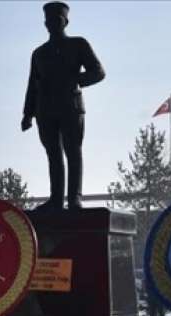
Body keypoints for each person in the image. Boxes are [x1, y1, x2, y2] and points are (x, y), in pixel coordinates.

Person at [21, 1, 105, 211]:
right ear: (45, 24)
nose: (52, 23)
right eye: (49, 20)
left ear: (65, 21)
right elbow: (33, 84)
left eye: (57, 19)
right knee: (53, 154)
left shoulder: (78, 44)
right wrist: (27, 114)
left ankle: (74, 198)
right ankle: (56, 199)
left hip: (70, 106)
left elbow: (98, 71)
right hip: (46, 109)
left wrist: (77, 80)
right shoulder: (39, 53)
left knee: (73, 151)